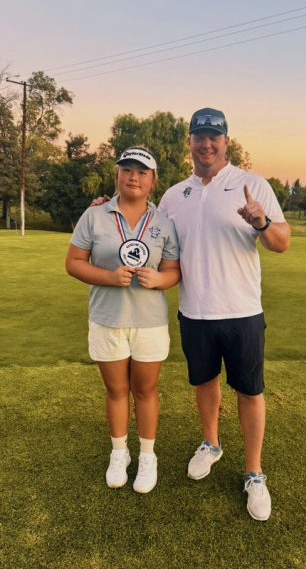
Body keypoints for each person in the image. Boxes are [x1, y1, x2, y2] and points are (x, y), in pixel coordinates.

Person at [158, 108, 290, 521]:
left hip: (242, 311)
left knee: (249, 391)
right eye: (200, 136)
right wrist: (109, 207)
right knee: (205, 382)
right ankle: (212, 444)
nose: (207, 143)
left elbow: (281, 242)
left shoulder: (251, 185)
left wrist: (262, 220)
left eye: (214, 136)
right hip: (194, 311)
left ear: (226, 142)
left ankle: (254, 474)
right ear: (190, 143)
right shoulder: (174, 194)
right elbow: (148, 233)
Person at [66, 147, 180, 494]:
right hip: (107, 318)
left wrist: (160, 280)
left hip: (149, 322)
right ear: (116, 175)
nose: (133, 176)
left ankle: (148, 456)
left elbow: (172, 270)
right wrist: (108, 276)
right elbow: (73, 262)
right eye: (127, 169)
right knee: (116, 390)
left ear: (153, 181)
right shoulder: (95, 215)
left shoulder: (164, 223)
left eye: (142, 172)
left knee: (145, 390)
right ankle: (120, 453)